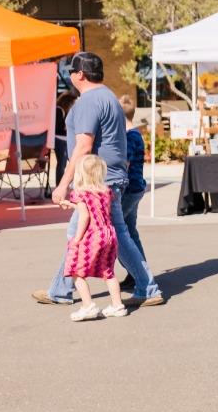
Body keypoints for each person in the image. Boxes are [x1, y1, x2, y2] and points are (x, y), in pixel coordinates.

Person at [32, 52, 163, 308]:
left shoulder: (89, 102)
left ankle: (147, 288)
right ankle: (61, 289)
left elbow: (83, 145)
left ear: (80, 74)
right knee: (113, 233)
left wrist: (63, 184)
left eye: (71, 71)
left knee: (89, 234)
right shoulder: (109, 97)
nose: (70, 75)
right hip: (110, 178)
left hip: (96, 181)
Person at [61, 155, 128, 323]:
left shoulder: (80, 193)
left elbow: (84, 216)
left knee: (76, 271)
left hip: (91, 236)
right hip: (109, 235)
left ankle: (88, 305)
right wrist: (72, 205)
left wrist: (77, 238)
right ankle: (117, 305)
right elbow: (94, 208)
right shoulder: (106, 191)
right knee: (108, 272)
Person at [118, 94, 148, 290]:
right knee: (130, 230)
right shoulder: (136, 134)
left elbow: (125, 165)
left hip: (128, 190)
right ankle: (137, 271)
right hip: (137, 187)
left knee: (119, 231)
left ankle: (139, 272)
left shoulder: (128, 137)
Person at [53, 91, 74, 187]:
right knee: (61, 164)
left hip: (64, 139)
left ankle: (63, 184)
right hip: (59, 139)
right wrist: (67, 127)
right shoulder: (58, 110)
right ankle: (59, 185)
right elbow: (57, 128)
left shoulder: (64, 111)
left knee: (65, 164)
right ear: (67, 102)